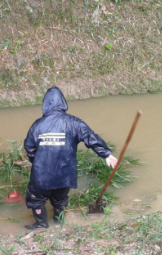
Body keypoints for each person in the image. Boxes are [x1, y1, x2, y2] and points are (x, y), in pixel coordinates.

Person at [23, 86, 118, 230]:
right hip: (65, 172)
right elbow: (89, 137)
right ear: (63, 102)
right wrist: (106, 154)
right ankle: (58, 222)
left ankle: (42, 224)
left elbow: (29, 147)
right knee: (60, 199)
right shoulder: (74, 123)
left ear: (45, 104)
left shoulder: (37, 125)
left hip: (41, 173)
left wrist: (36, 162)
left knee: (36, 200)